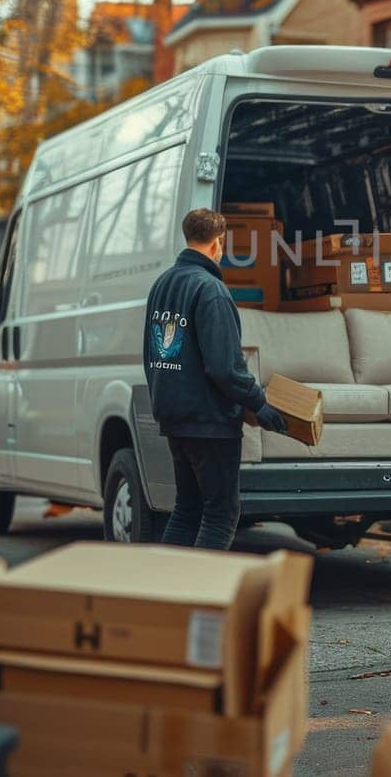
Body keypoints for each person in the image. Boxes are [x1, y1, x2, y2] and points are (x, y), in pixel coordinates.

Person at [143, 208, 288, 549]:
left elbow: (153, 355)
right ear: (218, 244)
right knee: (221, 513)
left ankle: (165, 595)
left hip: (175, 417)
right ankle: (200, 596)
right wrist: (259, 403)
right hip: (209, 422)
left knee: (186, 510)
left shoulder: (161, 285)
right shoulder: (211, 290)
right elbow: (224, 367)